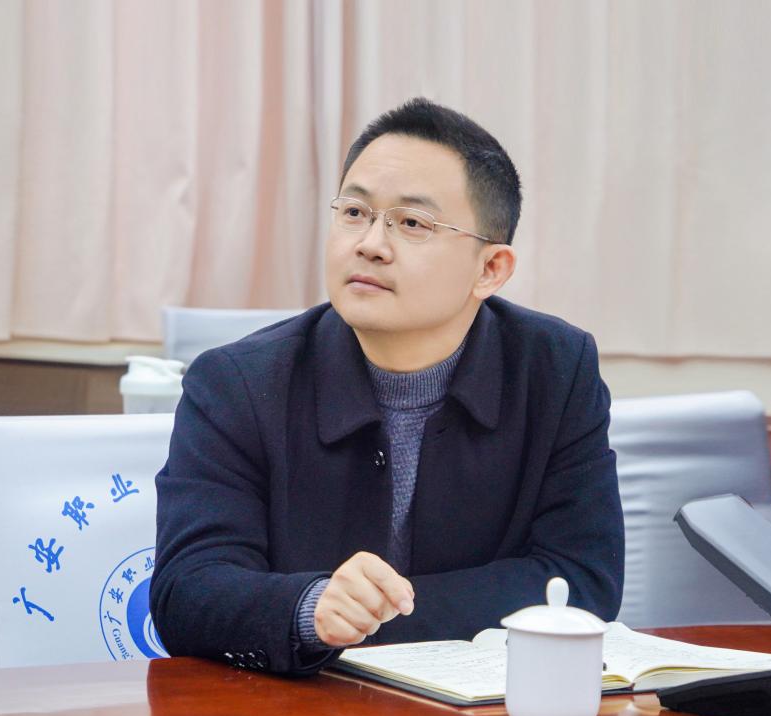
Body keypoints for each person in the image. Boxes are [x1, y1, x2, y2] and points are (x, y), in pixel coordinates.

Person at [151, 98, 624, 675]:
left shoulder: (556, 369)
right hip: (301, 704)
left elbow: (583, 579)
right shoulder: (236, 382)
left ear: (490, 269)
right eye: (354, 212)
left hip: (485, 706)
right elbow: (187, 591)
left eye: (413, 223)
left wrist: (376, 620)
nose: (371, 243)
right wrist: (310, 608)